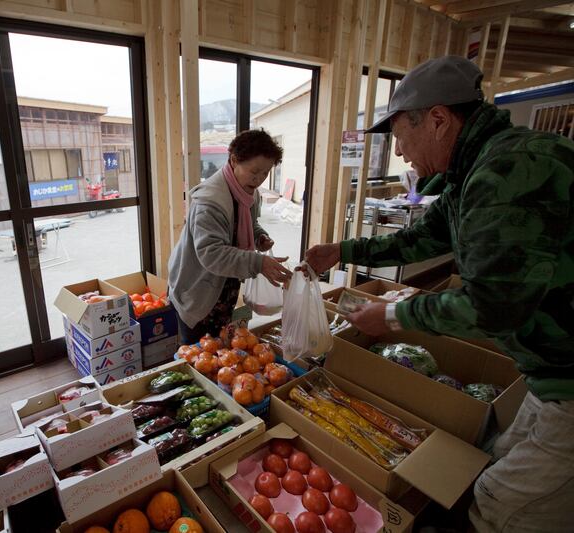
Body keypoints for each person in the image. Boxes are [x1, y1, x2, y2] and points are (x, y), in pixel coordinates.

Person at [304, 56, 574, 532]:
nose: (401, 152)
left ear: (438, 119)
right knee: (497, 459)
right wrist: (341, 250)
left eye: (401, 136)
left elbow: (491, 307)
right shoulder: (473, 172)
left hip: (568, 375)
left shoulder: (508, 172)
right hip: (548, 371)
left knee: (500, 506)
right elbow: (418, 239)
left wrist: (392, 316)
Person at [168, 129, 292, 345]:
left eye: (265, 173)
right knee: (197, 354)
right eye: (254, 171)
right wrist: (258, 262)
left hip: (222, 286)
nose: (259, 179)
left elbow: (247, 223)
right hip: (196, 289)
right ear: (234, 160)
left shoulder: (248, 192)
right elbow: (212, 254)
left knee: (219, 349)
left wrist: (259, 236)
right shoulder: (210, 202)